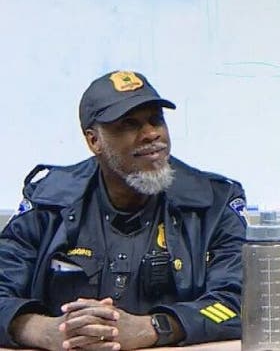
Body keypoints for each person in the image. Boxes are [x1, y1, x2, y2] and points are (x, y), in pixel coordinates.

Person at [0, 71, 247, 350]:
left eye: (156, 120)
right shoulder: (49, 202)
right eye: (130, 124)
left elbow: (239, 303)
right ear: (94, 141)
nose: (152, 134)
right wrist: (44, 330)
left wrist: (155, 328)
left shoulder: (213, 204)